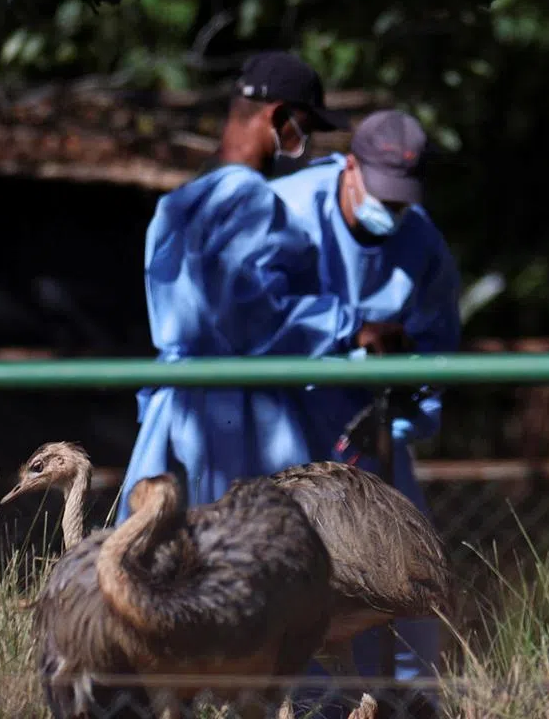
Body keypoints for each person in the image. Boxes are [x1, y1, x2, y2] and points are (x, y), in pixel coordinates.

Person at [116, 50, 362, 525]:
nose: (305, 142)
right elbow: (251, 317)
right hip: (240, 415)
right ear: (278, 116)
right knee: (252, 556)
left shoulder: (180, 201)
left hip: (180, 404)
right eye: (304, 125)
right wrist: (346, 324)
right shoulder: (249, 197)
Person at [269, 109, 462, 715]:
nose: (391, 213)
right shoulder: (282, 213)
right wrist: (345, 336)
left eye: (402, 203)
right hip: (282, 424)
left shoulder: (422, 242)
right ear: (348, 167)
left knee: (401, 588)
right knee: (283, 585)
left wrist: (410, 408)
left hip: (371, 439)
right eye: (382, 198)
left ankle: (404, 705)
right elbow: (254, 314)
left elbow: (434, 345)